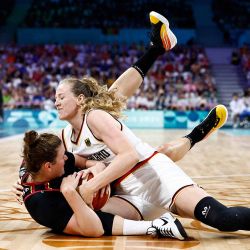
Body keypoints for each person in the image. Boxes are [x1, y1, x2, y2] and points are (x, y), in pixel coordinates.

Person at [14, 11, 228, 235]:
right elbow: (35, 153)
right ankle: (194, 130)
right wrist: (24, 180)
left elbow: (128, 155)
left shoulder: (95, 116)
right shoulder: (65, 138)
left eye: (61, 97)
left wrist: (92, 184)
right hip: (124, 193)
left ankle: (194, 128)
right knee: (157, 151)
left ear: (78, 99)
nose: (55, 102)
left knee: (217, 214)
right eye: (55, 97)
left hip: (146, 173)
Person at [20, 130, 187, 240]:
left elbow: (83, 161)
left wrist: (97, 168)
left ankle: (192, 138)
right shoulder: (42, 205)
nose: (67, 158)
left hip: (101, 182)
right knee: (95, 217)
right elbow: (94, 230)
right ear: (48, 166)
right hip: (85, 207)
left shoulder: (37, 161)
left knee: (159, 154)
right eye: (62, 156)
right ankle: (155, 226)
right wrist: (70, 192)